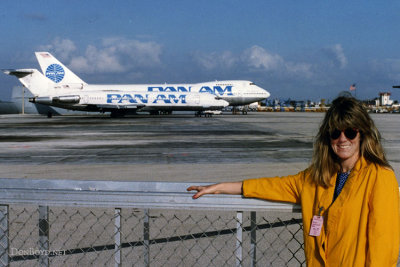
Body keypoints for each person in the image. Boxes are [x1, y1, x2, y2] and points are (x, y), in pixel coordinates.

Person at [187, 96, 400, 266]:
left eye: (350, 132)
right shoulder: (316, 178)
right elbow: (272, 186)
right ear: (328, 137)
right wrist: (220, 187)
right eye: (335, 132)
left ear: (362, 135)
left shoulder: (379, 176)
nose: (342, 139)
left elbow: (384, 246)